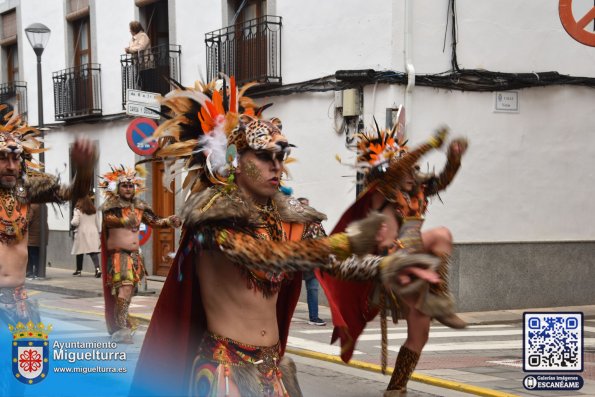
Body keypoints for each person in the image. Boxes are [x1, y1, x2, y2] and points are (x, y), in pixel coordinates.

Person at [132, 77, 441, 397]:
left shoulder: (290, 220)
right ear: (235, 160)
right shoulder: (212, 221)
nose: (276, 166)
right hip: (223, 372)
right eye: (264, 157)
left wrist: (385, 266)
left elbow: (336, 265)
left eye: (280, 156)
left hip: (273, 371)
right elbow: (264, 258)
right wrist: (347, 240)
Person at [318, 120, 468, 396]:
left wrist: (455, 158)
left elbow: (442, 179)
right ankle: (441, 300)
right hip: (390, 264)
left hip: (415, 264)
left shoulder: (415, 189)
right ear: (389, 172)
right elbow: (395, 171)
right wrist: (429, 145)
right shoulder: (383, 192)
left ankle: (396, 389)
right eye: (405, 170)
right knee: (440, 235)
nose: (411, 175)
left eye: (413, 169)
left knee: (420, 333)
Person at [0, 105, 95, 393]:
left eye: (16, 158)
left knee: (22, 381)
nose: (11, 166)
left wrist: (84, 169)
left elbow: (73, 194)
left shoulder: (25, 191)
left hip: (18, 301)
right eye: (2, 158)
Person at [98, 165, 181, 344]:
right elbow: (109, 220)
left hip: (135, 256)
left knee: (128, 292)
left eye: (130, 186)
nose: (128, 189)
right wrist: (123, 219)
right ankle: (121, 328)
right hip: (119, 256)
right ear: (117, 188)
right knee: (125, 288)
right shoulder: (110, 207)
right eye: (124, 186)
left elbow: (155, 221)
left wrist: (169, 221)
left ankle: (122, 324)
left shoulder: (140, 206)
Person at [297, 197, 326, 326]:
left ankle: (314, 317)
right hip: (293, 259)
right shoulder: (292, 222)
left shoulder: (315, 223)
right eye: (303, 205)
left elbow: (323, 240)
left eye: (308, 205)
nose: (306, 207)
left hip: (310, 261)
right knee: (285, 289)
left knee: (313, 289)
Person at [71, 193, 101, 277]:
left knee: (79, 251)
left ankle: (79, 270)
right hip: (93, 232)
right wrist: (99, 232)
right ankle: (97, 269)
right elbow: (98, 223)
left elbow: (75, 222)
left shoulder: (78, 210)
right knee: (93, 252)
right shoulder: (94, 210)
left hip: (82, 232)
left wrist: (71, 222)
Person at [26, 203, 47, 279]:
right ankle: (37, 271)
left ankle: (31, 272)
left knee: (31, 254)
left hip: (32, 234)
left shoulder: (32, 206)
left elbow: (28, 219)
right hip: (42, 233)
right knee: (37, 254)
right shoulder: (44, 206)